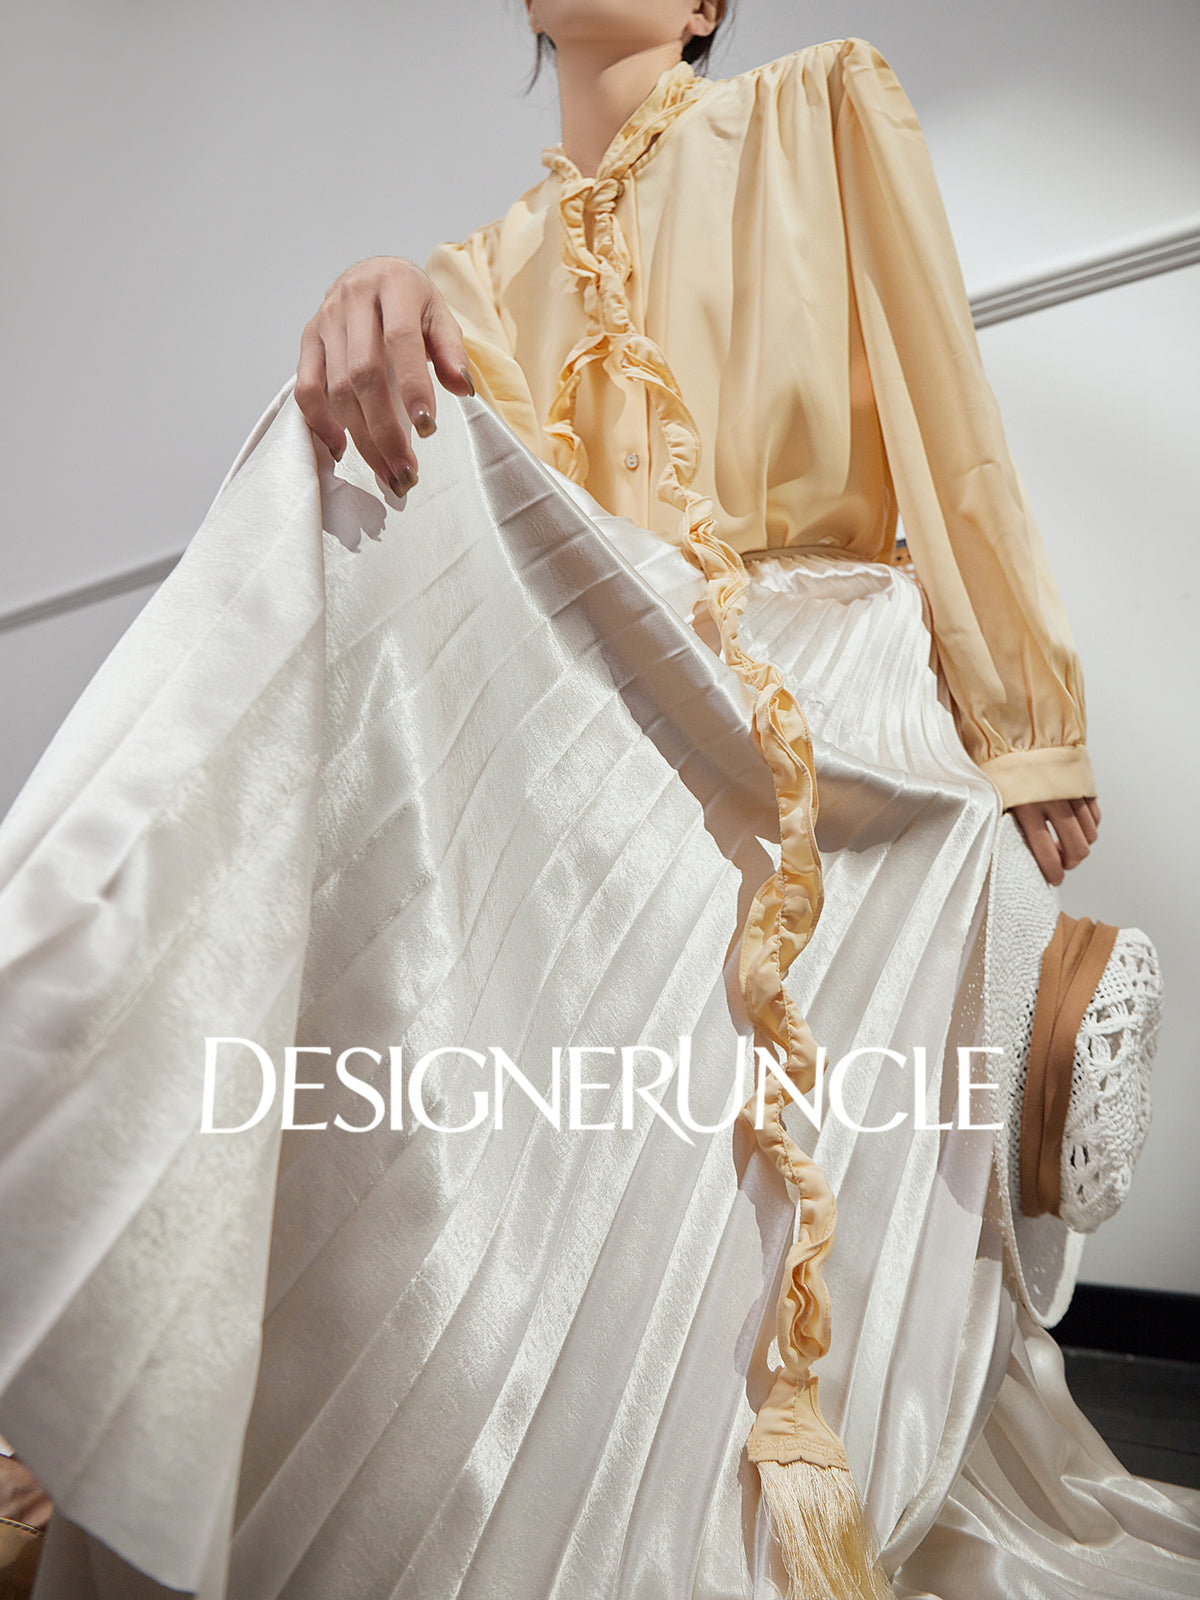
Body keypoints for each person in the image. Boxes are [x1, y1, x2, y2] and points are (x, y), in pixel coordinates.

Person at [2, 3, 1198, 1598]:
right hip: (631, 703)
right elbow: (492, 557)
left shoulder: (823, 107)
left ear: (706, 4)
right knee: (329, 473)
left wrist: (1030, 725)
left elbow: (948, 429)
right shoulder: (482, 268)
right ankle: (130, 1172)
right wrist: (377, 283)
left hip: (835, 692)